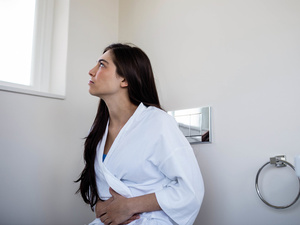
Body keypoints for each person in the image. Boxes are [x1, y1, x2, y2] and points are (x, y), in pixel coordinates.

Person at [75, 43, 204, 225]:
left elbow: (190, 189)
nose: (91, 71)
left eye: (102, 65)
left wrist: (129, 206)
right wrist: (100, 205)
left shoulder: (157, 122)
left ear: (125, 80)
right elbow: (105, 185)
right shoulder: (98, 130)